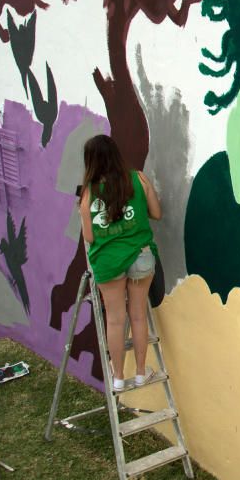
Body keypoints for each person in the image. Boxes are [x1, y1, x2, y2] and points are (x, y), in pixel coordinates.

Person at [79, 135, 161, 391]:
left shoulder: (88, 193)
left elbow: (89, 236)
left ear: (90, 161)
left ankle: (117, 377)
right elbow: (157, 214)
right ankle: (139, 373)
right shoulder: (138, 179)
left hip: (108, 263)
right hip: (141, 255)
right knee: (137, 316)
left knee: (115, 321)